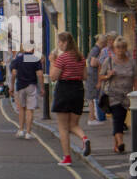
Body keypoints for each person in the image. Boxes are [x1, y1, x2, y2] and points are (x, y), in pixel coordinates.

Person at [49, 32, 90, 165]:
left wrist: (52, 61)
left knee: (63, 127)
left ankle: (67, 157)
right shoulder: (81, 58)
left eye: (60, 42)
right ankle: (84, 138)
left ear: (65, 43)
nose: (59, 45)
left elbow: (53, 77)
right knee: (73, 124)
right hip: (78, 90)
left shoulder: (62, 58)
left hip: (64, 90)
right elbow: (85, 76)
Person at [100, 37, 136, 154]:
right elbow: (100, 76)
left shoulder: (131, 62)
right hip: (113, 95)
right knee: (117, 118)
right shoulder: (109, 61)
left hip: (127, 96)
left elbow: (136, 78)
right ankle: (120, 143)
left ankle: (116, 145)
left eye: (123, 47)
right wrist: (108, 75)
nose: (120, 49)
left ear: (126, 48)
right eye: (118, 47)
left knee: (121, 119)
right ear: (114, 49)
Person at [10, 48, 44, 139]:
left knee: (21, 109)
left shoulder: (18, 59)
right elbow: (40, 74)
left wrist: (12, 87)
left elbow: (13, 74)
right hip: (31, 86)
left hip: (20, 86)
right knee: (30, 110)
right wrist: (42, 88)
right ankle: (28, 133)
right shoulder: (35, 59)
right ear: (32, 49)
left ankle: (21, 130)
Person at [86, 34, 107, 123]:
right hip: (93, 76)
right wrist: (101, 63)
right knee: (92, 98)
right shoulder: (96, 50)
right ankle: (92, 118)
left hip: (91, 75)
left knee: (92, 97)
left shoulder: (95, 49)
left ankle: (93, 118)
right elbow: (93, 63)